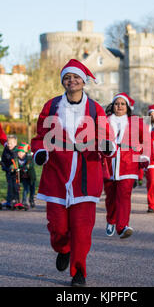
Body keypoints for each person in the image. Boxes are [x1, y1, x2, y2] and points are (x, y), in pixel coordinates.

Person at [31, 59, 116, 287]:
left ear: (83, 81)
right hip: (56, 174)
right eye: (67, 77)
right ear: (63, 82)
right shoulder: (51, 107)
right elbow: (40, 137)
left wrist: (107, 146)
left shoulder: (95, 109)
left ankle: (79, 272)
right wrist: (40, 153)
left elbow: (107, 138)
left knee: (81, 229)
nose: (72, 81)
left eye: (76, 77)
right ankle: (63, 248)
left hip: (86, 176)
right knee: (57, 226)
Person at [103, 93, 150, 239]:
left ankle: (122, 227)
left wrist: (143, 157)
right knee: (110, 196)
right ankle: (111, 220)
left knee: (124, 196)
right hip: (109, 163)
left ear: (128, 107)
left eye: (123, 104)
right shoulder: (104, 121)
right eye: (117, 103)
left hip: (128, 163)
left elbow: (146, 141)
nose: (120, 106)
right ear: (112, 106)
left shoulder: (137, 122)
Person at [0, 135, 21, 210]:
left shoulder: (17, 150)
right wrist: (3, 165)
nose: (9, 145)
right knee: (10, 186)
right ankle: (9, 200)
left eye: (11, 143)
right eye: (8, 143)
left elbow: (17, 160)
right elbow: (3, 159)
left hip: (16, 172)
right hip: (8, 171)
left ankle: (16, 200)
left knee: (16, 186)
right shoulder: (6, 150)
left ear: (15, 143)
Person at [18, 142, 37, 209]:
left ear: (25, 153)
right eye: (19, 152)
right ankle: (23, 201)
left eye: (22, 152)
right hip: (24, 178)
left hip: (31, 177)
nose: (20, 154)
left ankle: (31, 200)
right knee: (26, 189)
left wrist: (26, 167)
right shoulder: (17, 160)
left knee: (32, 190)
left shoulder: (28, 157)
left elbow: (31, 164)